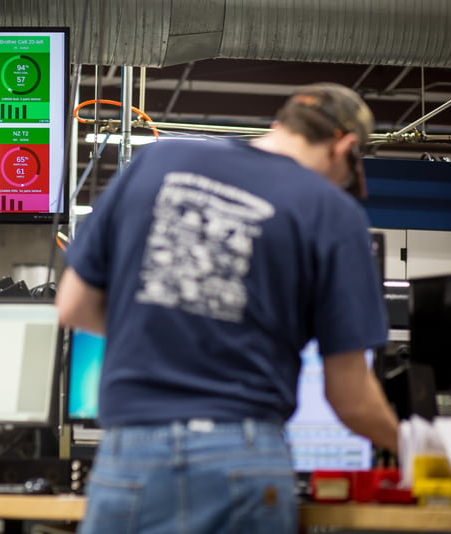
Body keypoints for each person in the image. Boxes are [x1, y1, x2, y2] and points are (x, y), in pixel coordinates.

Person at [55, 82, 399, 534]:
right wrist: (422, 450)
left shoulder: (158, 161)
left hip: (129, 455)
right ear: (346, 148)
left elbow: (73, 305)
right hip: (241, 455)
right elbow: (350, 396)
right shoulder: (332, 211)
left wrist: (163, 329)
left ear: (283, 123)